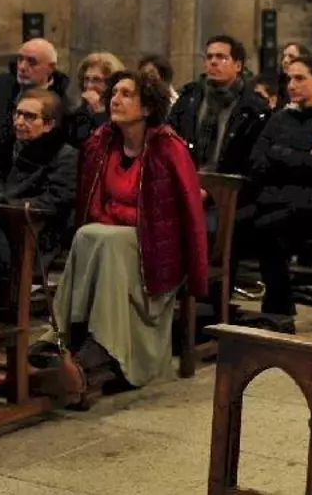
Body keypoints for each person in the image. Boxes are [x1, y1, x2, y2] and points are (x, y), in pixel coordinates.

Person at [53, 72, 205, 392]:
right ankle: (61, 334)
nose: (116, 100)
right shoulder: (101, 143)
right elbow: (92, 204)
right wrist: (119, 217)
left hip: (158, 246)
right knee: (86, 235)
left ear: (147, 107)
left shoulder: (169, 148)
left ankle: (101, 346)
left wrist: (196, 271)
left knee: (106, 240)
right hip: (117, 237)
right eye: (114, 93)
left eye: (127, 94)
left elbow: (182, 213)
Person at [247, 56, 312, 323]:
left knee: (266, 229)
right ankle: (240, 308)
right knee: (239, 224)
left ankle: (277, 312)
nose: (291, 85)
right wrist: (299, 156)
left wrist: (278, 153)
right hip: (279, 201)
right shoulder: (280, 118)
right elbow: (256, 162)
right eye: (289, 79)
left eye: (300, 78)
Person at [0, 89, 79, 272]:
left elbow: (55, 201)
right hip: (2, 218)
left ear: (48, 124)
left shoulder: (65, 155)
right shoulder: (7, 147)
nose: (19, 122)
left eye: (29, 117)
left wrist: (8, 205)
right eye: (18, 114)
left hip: (38, 230)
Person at [166, 36, 270, 176]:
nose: (213, 62)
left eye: (221, 57)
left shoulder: (254, 108)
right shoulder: (189, 98)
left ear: (238, 66)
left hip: (232, 184)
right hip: (188, 180)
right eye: (209, 57)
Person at [0, 38, 69, 162]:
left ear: (50, 68)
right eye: (20, 59)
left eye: (32, 62)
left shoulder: (60, 105)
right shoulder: (3, 84)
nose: (22, 67)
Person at [68, 52, 125, 144]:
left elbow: (112, 142)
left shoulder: (122, 114)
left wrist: (99, 112)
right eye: (86, 79)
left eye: (97, 80)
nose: (89, 86)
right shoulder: (78, 114)